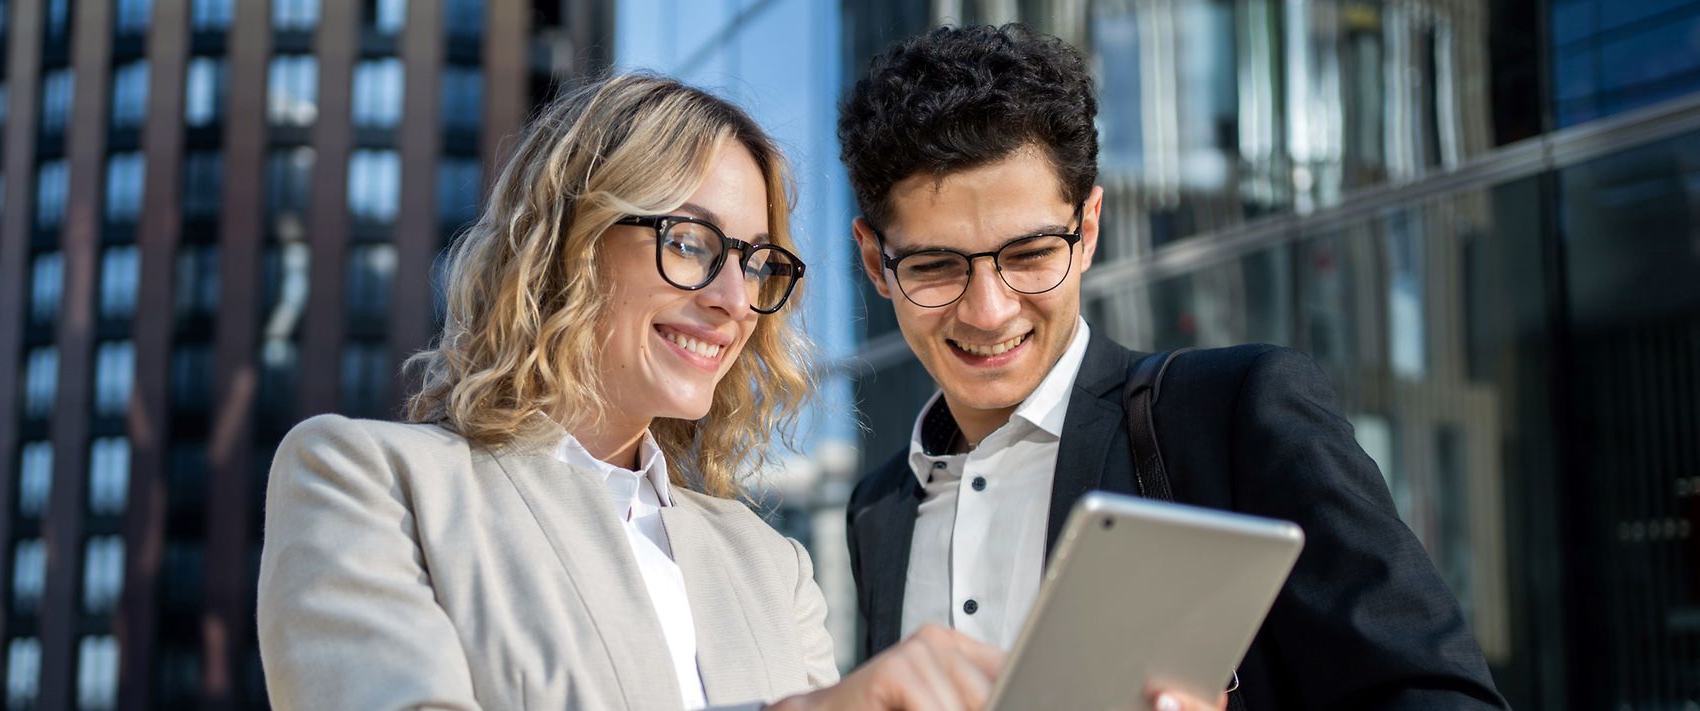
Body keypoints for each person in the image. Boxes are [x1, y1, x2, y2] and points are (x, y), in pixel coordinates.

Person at [256, 72, 1129, 711]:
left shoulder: (767, 561)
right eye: (691, 242)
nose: (733, 298)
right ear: (570, 242)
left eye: (757, 260)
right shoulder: (368, 479)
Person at [838, 24, 1509, 711]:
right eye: (937, 266)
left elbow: (1447, 697)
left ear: (1089, 228)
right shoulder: (877, 511)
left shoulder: (1233, 413)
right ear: (874, 263)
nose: (988, 310)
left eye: (1031, 254)